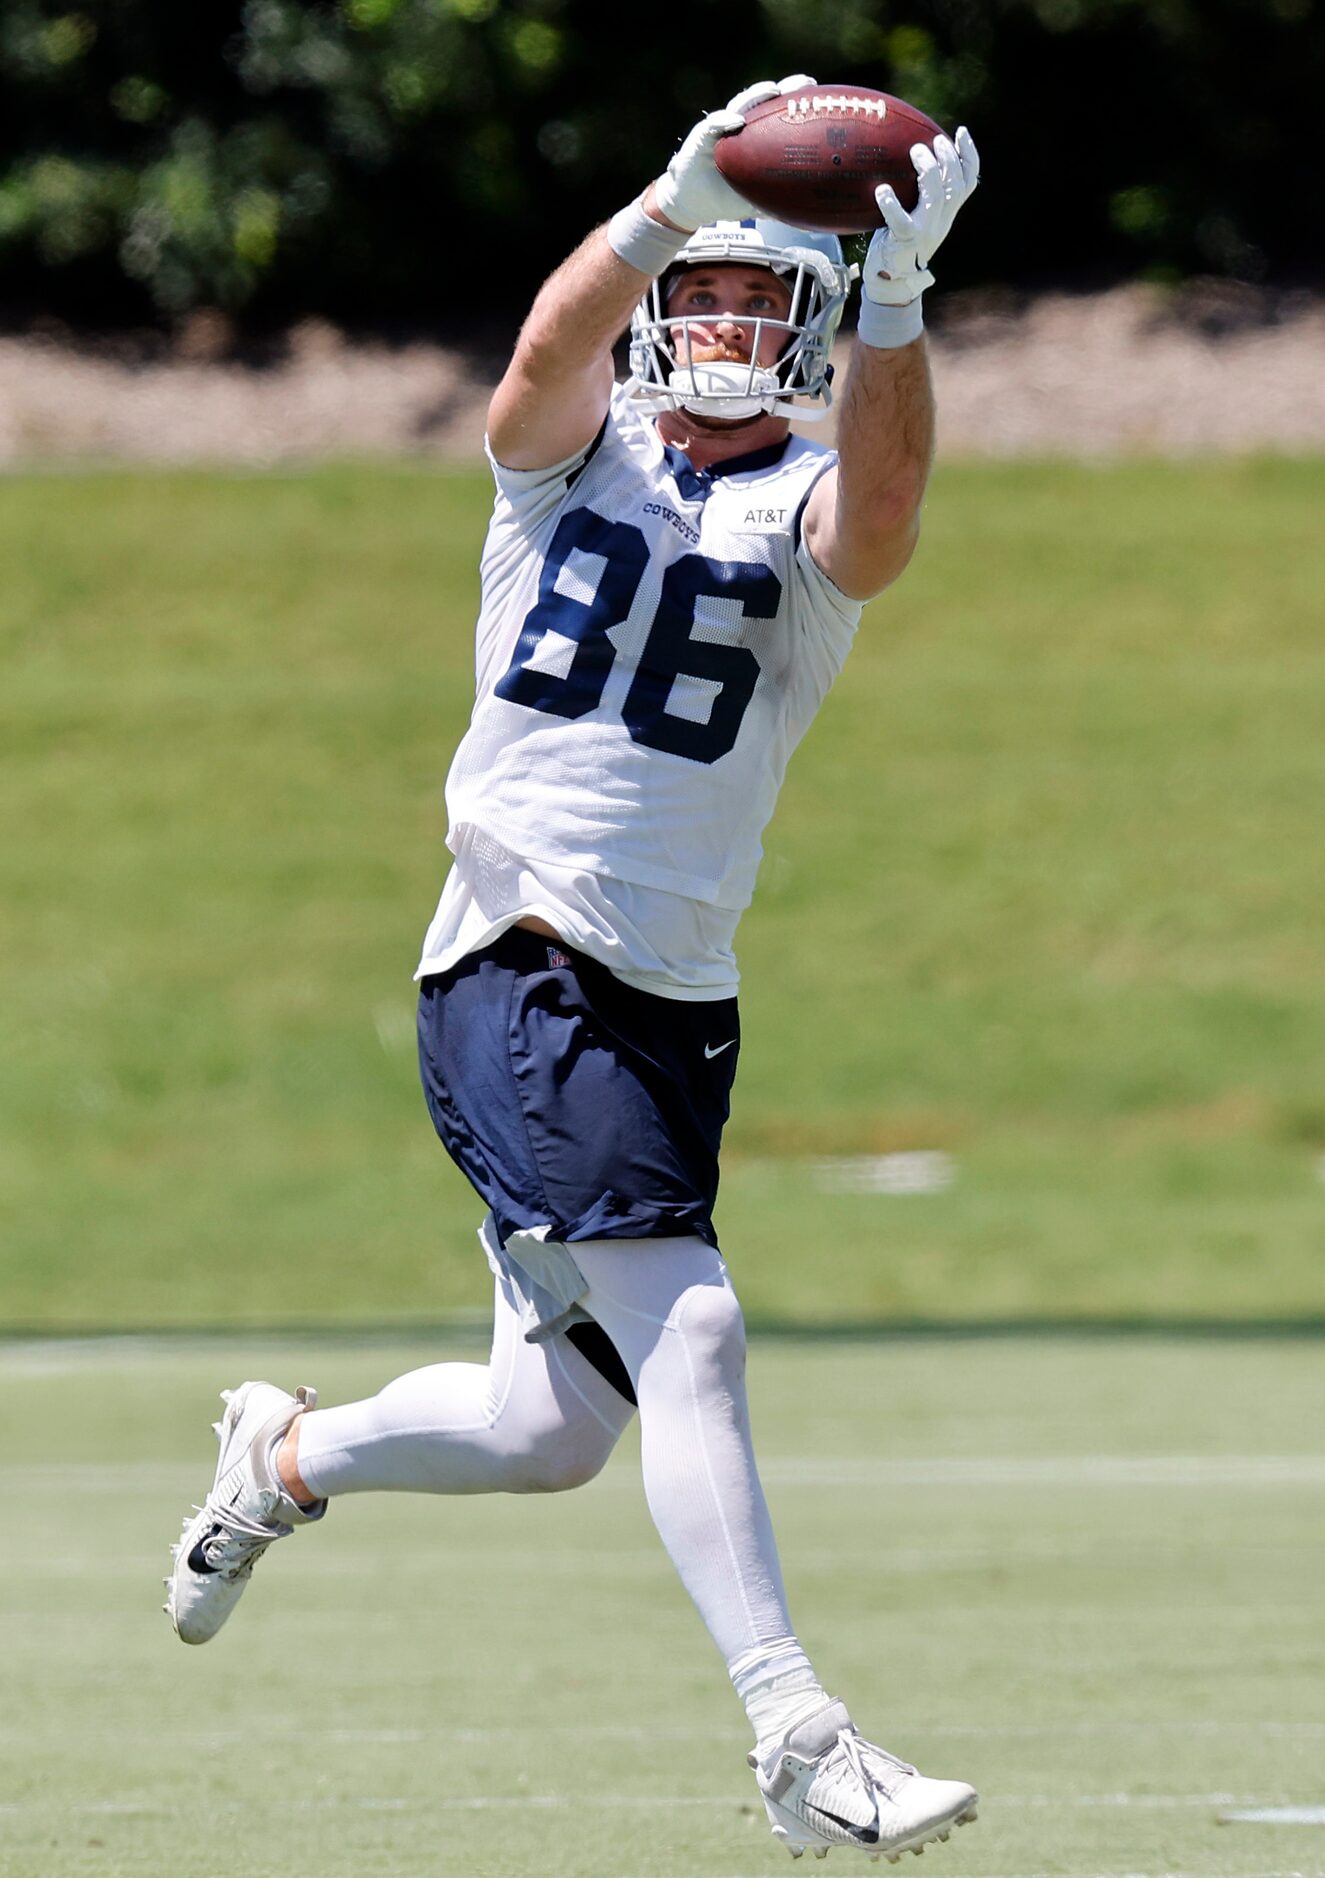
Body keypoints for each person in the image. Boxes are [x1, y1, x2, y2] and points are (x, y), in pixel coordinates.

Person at [164, 75, 981, 1864]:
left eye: (765, 303)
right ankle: (797, 1727)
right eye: (699, 295)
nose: (717, 327)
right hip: (520, 954)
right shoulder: (564, 462)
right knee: (689, 1324)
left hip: (671, 997)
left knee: (549, 1429)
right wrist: (667, 192)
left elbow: (890, 518)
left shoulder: (816, 511)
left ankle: (281, 1458)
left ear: (813, 331)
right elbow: (539, 354)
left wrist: (906, 300)